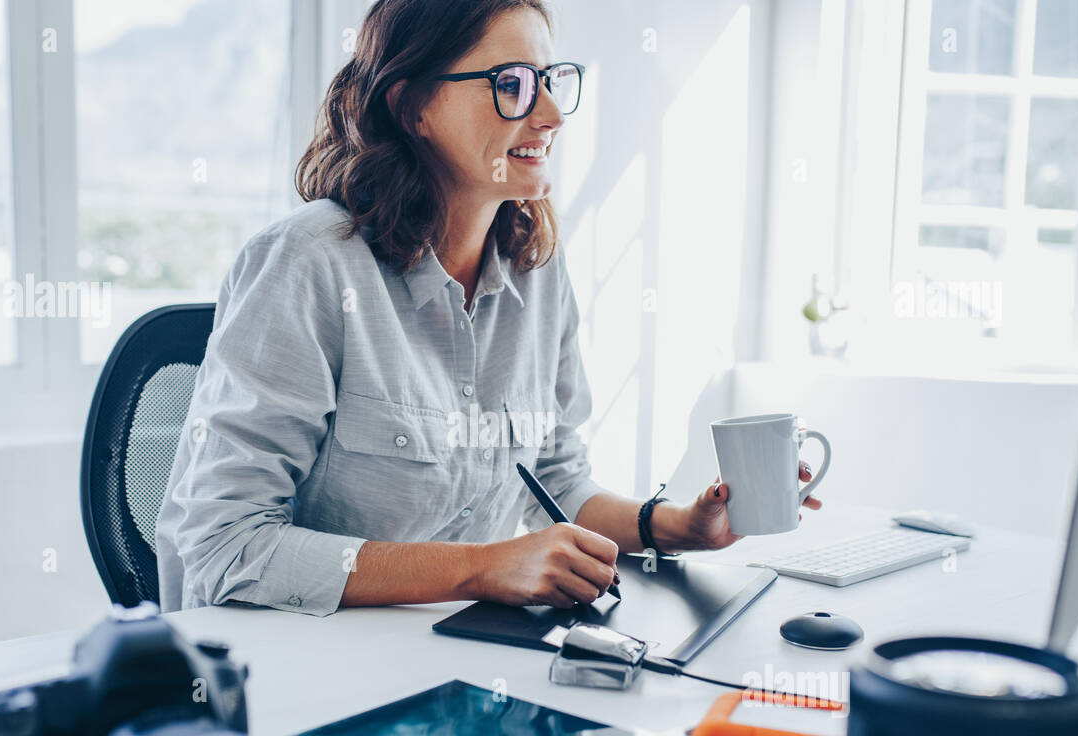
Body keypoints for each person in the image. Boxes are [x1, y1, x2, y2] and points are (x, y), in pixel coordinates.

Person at [155, 0, 820, 616]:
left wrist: (673, 526)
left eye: (551, 79)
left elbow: (553, 476)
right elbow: (222, 547)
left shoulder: (537, 268)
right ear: (412, 106)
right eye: (512, 85)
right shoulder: (308, 264)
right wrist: (479, 569)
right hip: (285, 671)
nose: (552, 115)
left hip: (440, 656)